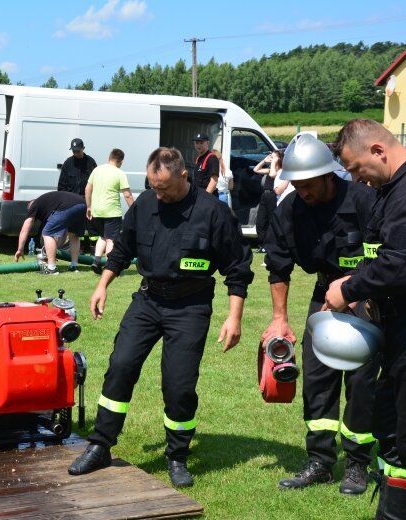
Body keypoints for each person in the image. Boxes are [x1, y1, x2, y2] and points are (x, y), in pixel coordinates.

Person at [68, 147, 253, 487]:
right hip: (149, 299)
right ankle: (101, 445)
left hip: (191, 305)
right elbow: (123, 249)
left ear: (184, 176)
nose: (158, 194)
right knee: (121, 365)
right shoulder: (146, 205)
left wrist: (234, 317)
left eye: (164, 187)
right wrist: (102, 285)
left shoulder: (212, 213)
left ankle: (177, 456)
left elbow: (238, 269)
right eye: (153, 186)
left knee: (178, 384)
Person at [324, 119, 406, 518]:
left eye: (355, 169)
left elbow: (400, 267)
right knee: (391, 434)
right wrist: (359, 281)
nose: (356, 180)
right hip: (402, 338)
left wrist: (349, 290)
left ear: (378, 152)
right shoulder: (395, 189)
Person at [261, 134, 378, 495]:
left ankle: (357, 464)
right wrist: (279, 317)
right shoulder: (291, 209)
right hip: (325, 294)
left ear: (329, 175)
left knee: (360, 383)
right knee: (316, 379)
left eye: (309, 184)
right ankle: (320, 462)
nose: (304, 191)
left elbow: (384, 255)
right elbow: (278, 266)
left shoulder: (364, 200)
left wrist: (355, 287)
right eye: (297, 184)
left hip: (368, 294)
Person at [85, 148, 133, 275]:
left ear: (109, 157)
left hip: (97, 210)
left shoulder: (97, 170)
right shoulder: (119, 173)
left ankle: (96, 261)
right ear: (121, 161)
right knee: (111, 239)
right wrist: (134, 210)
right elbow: (127, 195)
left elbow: (88, 188)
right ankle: (110, 266)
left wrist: (89, 206)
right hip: (112, 211)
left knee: (102, 236)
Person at [14, 190, 86, 275]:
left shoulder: (34, 205)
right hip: (83, 204)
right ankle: (74, 266)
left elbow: (25, 229)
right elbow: (63, 233)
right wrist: (53, 251)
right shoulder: (48, 203)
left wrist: (20, 249)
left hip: (67, 206)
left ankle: (51, 268)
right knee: (74, 235)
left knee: (47, 233)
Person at [58, 137, 98, 253]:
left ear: (83, 148)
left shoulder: (91, 162)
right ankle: (78, 249)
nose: (75, 153)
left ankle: (93, 249)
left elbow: (97, 182)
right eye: (74, 151)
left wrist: (92, 200)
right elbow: (61, 185)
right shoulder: (68, 163)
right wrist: (65, 201)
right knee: (76, 228)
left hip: (88, 201)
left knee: (92, 229)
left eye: (78, 151)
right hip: (73, 202)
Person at [253, 150, 284, 250]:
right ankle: (263, 244)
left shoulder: (280, 170)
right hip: (265, 195)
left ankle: (272, 244)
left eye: (273, 157)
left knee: (272, 221)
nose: (271, 158)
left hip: (273, 195)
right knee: (260, 222)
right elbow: (256, 170)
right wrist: (264, 161)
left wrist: (274, 162)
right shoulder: (270, 169)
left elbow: (272, 175)